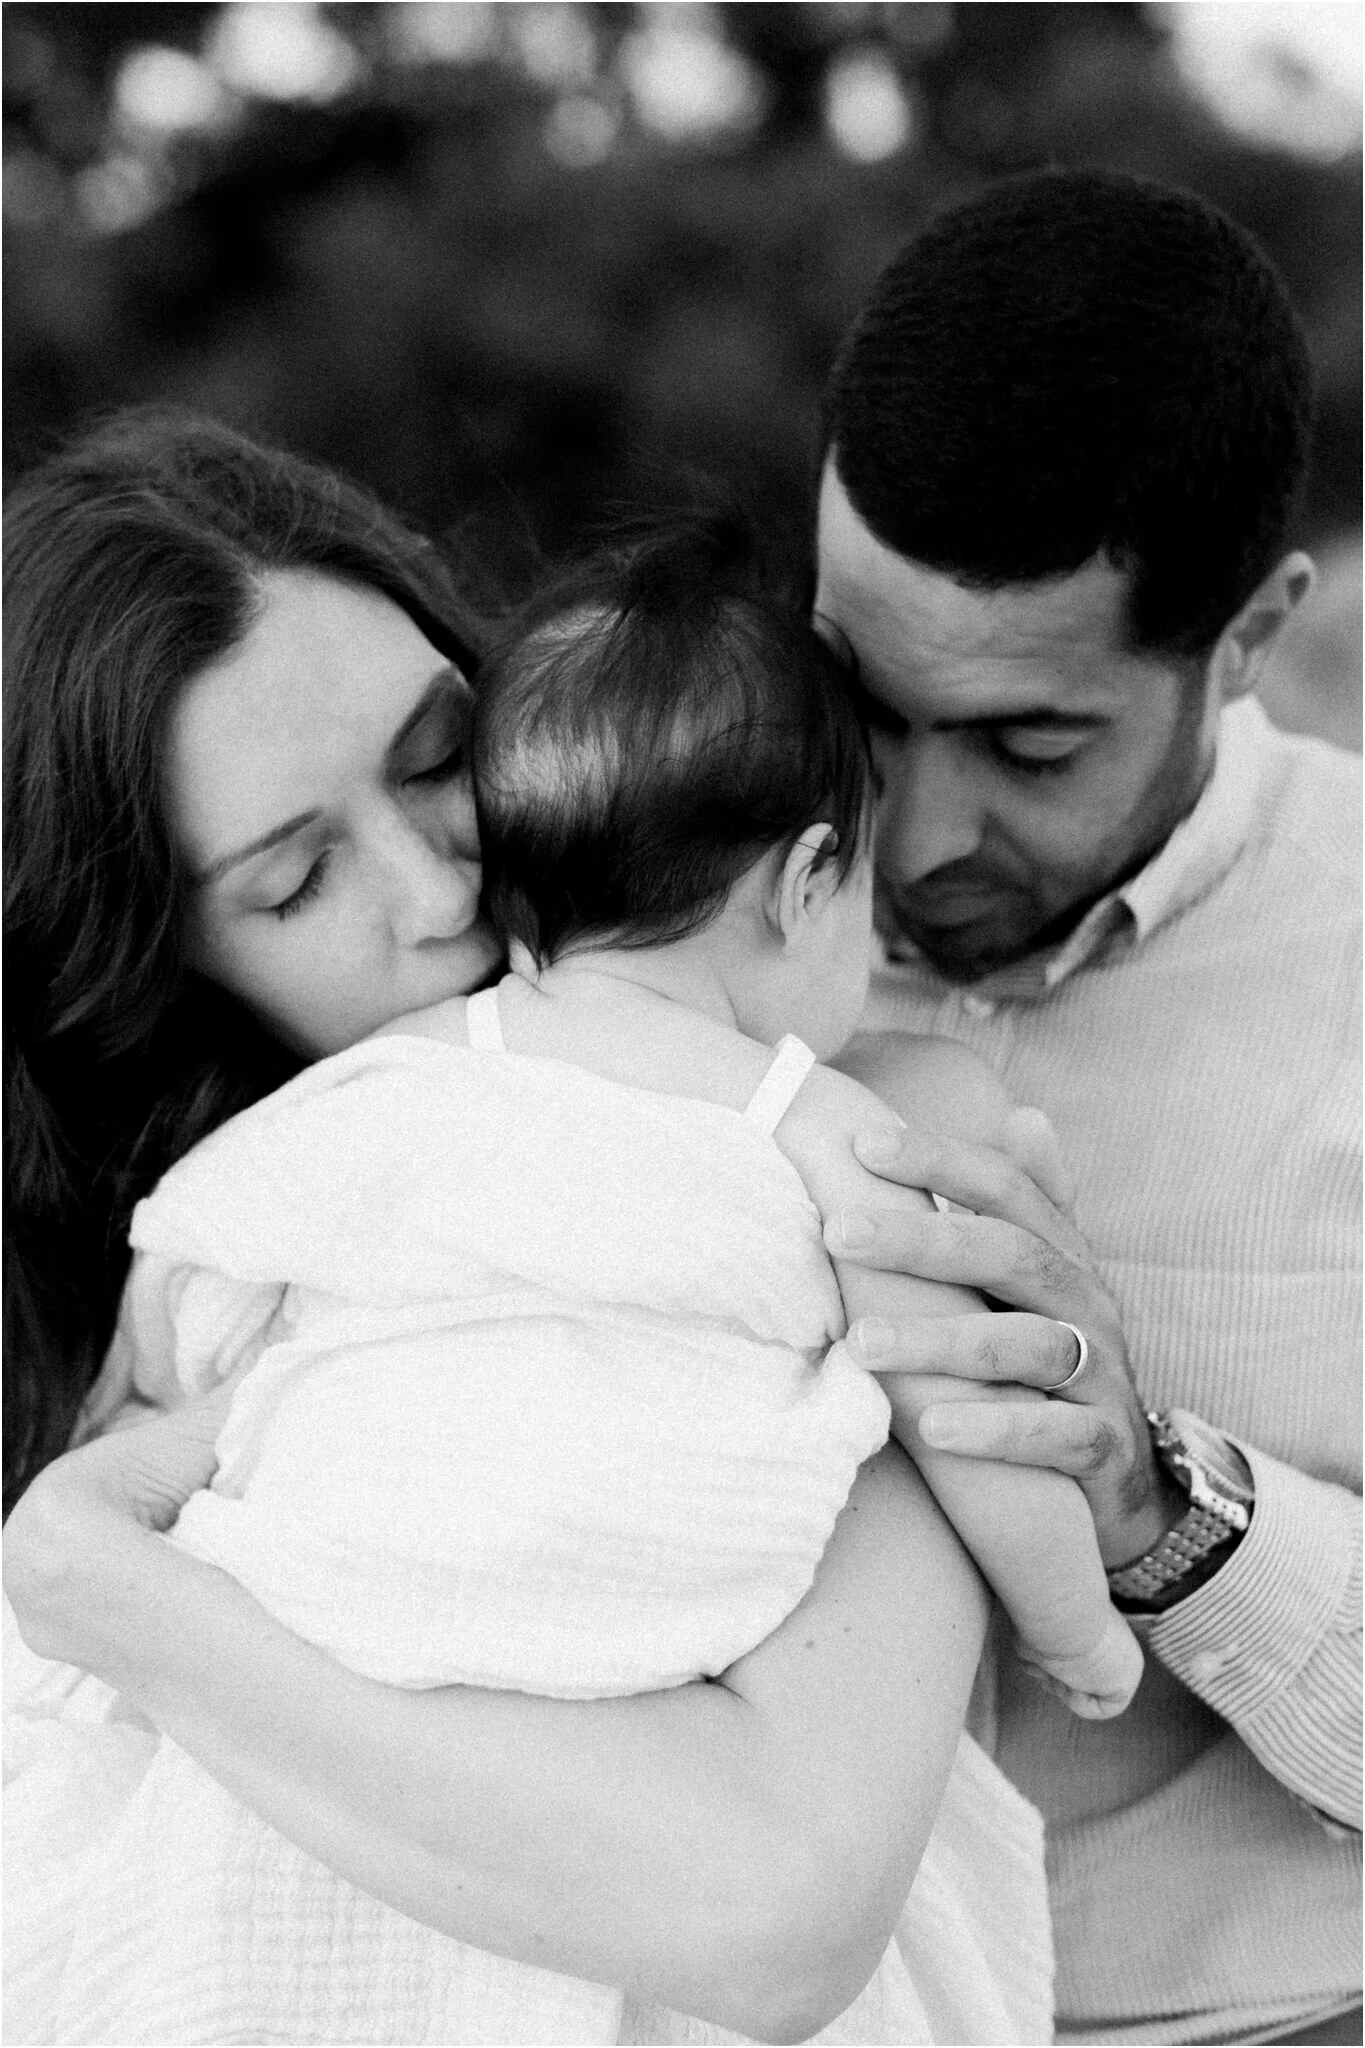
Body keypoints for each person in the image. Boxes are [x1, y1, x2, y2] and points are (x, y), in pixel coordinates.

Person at [4, 411, 1071, 2046]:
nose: (441, 890)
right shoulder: (188, 1273)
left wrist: (128, 1611)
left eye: (442, 762)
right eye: (296, 885)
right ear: (144, 973)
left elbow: (773, 1908)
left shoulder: (780, 1157)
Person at [811, 168, 1361, 2047]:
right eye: (861, 706)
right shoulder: (661, 892)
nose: (909, 835)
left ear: (1251, 631)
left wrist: (1154, 1497)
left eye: (1031, 746)